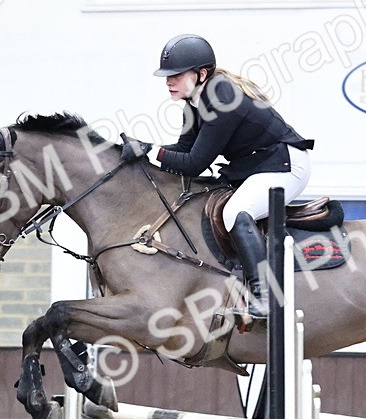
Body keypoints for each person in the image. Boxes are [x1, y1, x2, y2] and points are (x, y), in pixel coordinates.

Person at [122, 34, 314, 319]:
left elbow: (195, 163)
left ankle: (265, 297)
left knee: (236, 212)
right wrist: (148, 150)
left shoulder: (222, 97)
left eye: (175, 75)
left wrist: (151, 151)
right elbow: (185, 149)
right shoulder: (194, 103)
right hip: (258, 165)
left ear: (201, 74)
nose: (168, 81)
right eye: (166, 76)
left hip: (285, 166)